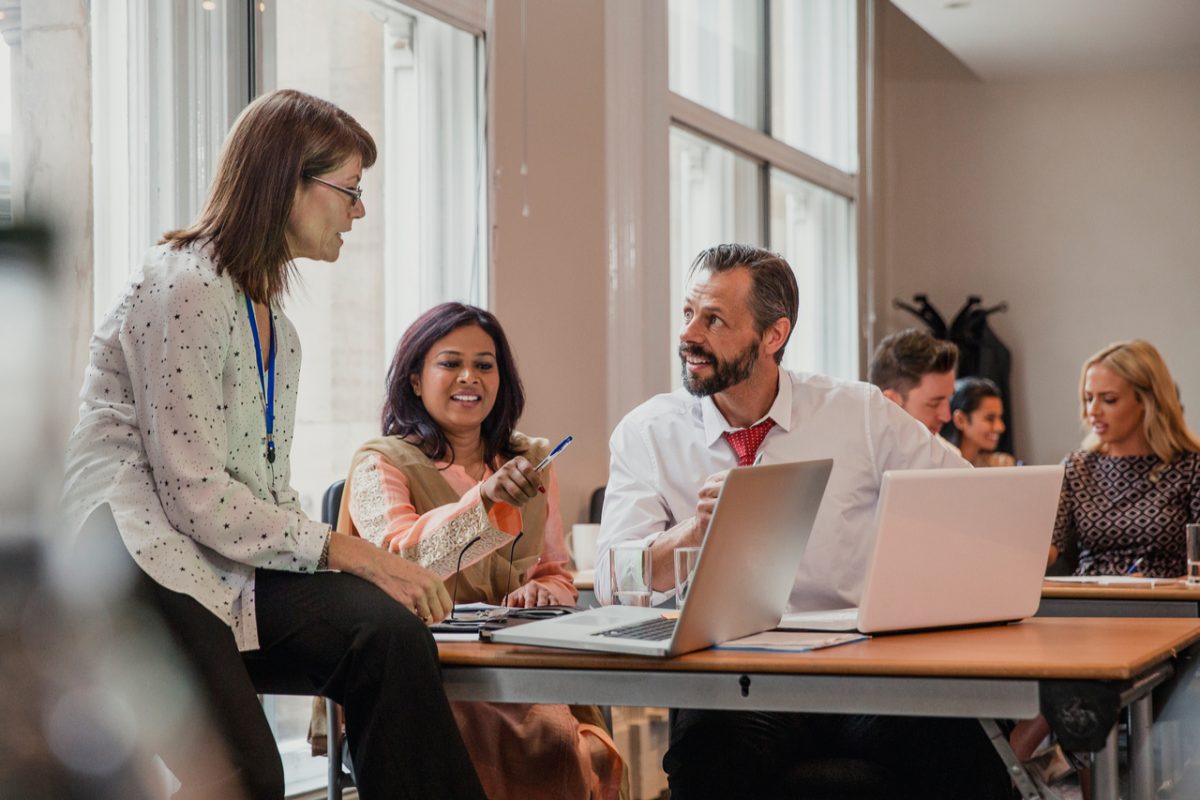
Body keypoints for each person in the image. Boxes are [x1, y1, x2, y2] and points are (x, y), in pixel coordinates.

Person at [60, 89, 486, 800]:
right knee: (246, 775)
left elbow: (258, 495)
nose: (360, 211)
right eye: (349, 190)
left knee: (385, 636)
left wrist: (359, 575)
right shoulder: (183, 286)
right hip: (128, 556)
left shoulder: (276, 330)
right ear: (288, 182)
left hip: (208, 558)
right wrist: (351, 552)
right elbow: (193, 493)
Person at [597, 244, 1009, 799]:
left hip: (861, 672)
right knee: (711, 762)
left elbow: (967, 497)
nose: (689, 335)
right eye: (688, 313)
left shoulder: (858, 412)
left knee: (965, 757)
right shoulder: (647, 433)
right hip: (730, 680)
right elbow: (612, 584)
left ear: (773, 335)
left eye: (714, 319)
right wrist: (694, 534)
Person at [336, 302, 623, 800]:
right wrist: (483, 500)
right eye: (450, 363)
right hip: (423, 678)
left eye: (484, 366)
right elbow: (402, 561)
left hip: (521, 671)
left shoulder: (531, 462)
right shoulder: (378, 462)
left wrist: (540, 590)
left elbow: (559, 575)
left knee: (561, 738)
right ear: (414, 380)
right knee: (536, 740)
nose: (469, 377)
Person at [1049, 339, 1200, 577]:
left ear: (1146, 401)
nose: (1093, 411)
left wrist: (1163, 587)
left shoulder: (1191, 466)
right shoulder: (1077, 468)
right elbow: (1044, 548)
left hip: (1168, 604)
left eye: (1109, 399)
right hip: (1088, 603)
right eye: (1089, 398)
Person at [868, 327, 958, 434]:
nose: (946, 417)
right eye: (934, 404)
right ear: (891, 402)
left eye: (949, 399)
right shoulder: (851, 448)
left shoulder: (946, 450)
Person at [942, 376, 1017, 467]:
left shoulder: (1000, 465)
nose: (1000, 427)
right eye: (990, 418)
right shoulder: (940, 465)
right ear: (960, 420)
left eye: (1000, 417)